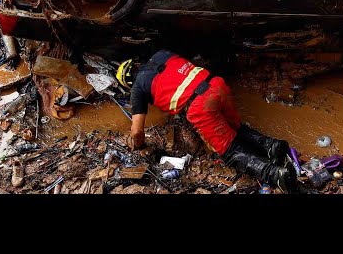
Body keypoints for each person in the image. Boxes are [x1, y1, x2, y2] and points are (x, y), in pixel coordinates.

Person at [116, 49, 297, 193]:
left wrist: (139, 147)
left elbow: (137, 131)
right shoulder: (162, 54)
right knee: (234, 128)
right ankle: (272, 145)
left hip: (200, 106)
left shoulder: (138, 88)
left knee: (229, 152)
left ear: (128, 82)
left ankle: (276, 175)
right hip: (216, 85)